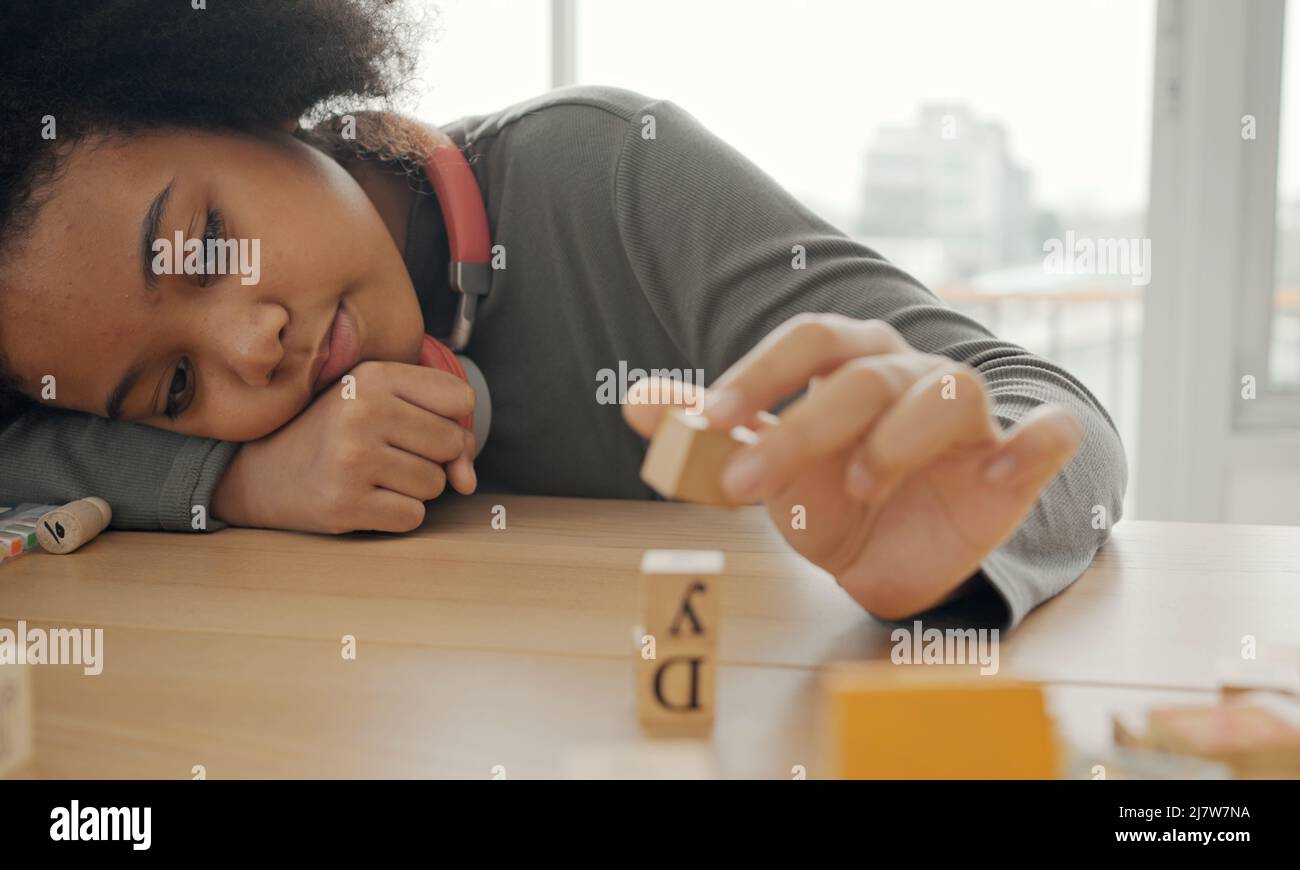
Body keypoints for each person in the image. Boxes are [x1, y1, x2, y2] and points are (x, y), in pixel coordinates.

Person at [0, 0, 1126, 626]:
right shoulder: (213, 433)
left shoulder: (607, 171)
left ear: (248, 104)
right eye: (175, 387)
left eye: (201, 246)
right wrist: (233, 481)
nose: (251, 346)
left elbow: (1054, 414)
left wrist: (952, 565)